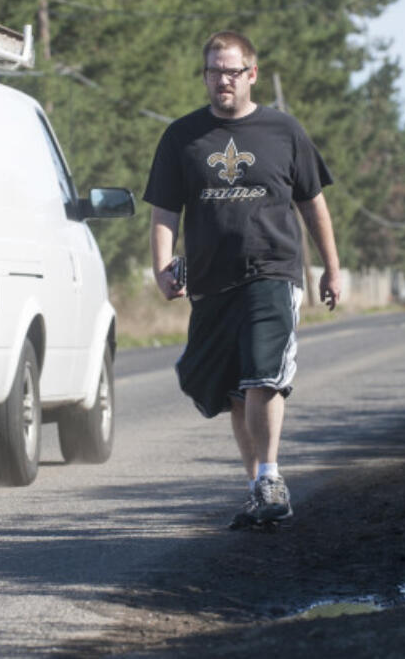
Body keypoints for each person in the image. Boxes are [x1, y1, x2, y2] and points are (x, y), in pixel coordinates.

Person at [143, 30, 342, 529]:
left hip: (273, 270)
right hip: (212, 280)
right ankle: (258, 487)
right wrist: (163, 266)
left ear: (252, 74)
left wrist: (331, 269)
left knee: (263, 374)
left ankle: (272, 475)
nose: (222, 80)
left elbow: (312, 203)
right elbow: (165, 210)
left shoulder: (283, 131)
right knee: (233, 391)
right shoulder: (182, 137)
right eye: (213, 71)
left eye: (231, 71)